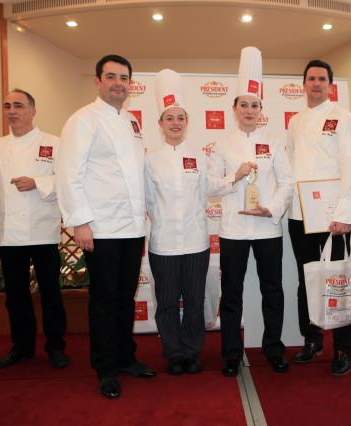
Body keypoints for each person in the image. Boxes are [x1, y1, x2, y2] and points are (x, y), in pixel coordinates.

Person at [56, 54, 155, 399]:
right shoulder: (83, 120)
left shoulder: (131, 121)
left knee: (126, 297)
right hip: (100, 228)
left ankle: (125, 357)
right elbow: (69, 173)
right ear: (97, 81)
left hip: (132, 227)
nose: (118, 82)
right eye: (111, 76)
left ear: (130, 83)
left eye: (124, 77)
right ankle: (105, 368)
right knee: (103, 299)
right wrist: (80, 222)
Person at [208, 47, 294, 377]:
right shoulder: (221, 145)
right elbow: (212, 187)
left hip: (268, 228)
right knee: (232, 295)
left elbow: (287, 182)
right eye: (243, 104)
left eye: (254, 105)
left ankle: (273, 349)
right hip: (233, 230)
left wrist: (270, 208)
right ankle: (231, 354)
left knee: (273, 290)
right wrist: (236, 176)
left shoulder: (275, 142)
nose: (249, 110)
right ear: (234, 108)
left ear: (261, 110)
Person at [145, 69, 235, 376]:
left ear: (187, 122)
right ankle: (173, 352)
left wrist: (237, 175)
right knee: (167, 303)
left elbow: (213, 187)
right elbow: (144, 199)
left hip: (197, 242)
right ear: (160, 123)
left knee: (195, 301)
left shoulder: (199, 155)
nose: (175, 123)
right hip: (163, 243)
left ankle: (193, 351)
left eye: (180, 117)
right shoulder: (149, 159)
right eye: (169, 118)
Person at [0, 89, 68, 369]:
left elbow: (67, 181)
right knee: (16, 295)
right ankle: (22, 346)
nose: (12, 111)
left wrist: (37, 182)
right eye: (7, 106)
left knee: (51, 293)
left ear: (33, 110)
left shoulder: (54, 143)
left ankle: (56, 346)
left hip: (43, 229)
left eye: (18, 105)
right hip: (10, 232)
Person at [286, 60, 351, 375]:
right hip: (301, 214)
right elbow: (290, 167)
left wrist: (345, 214)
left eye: (321, 79)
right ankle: (311, 338)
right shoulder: (295, 121)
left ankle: (343, 348)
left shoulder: (343, 118)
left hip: (334, 217)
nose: (315, 83)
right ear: (303, 84)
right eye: (311, 79)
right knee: (307, 280)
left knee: (339, 279)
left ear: (330, 85)